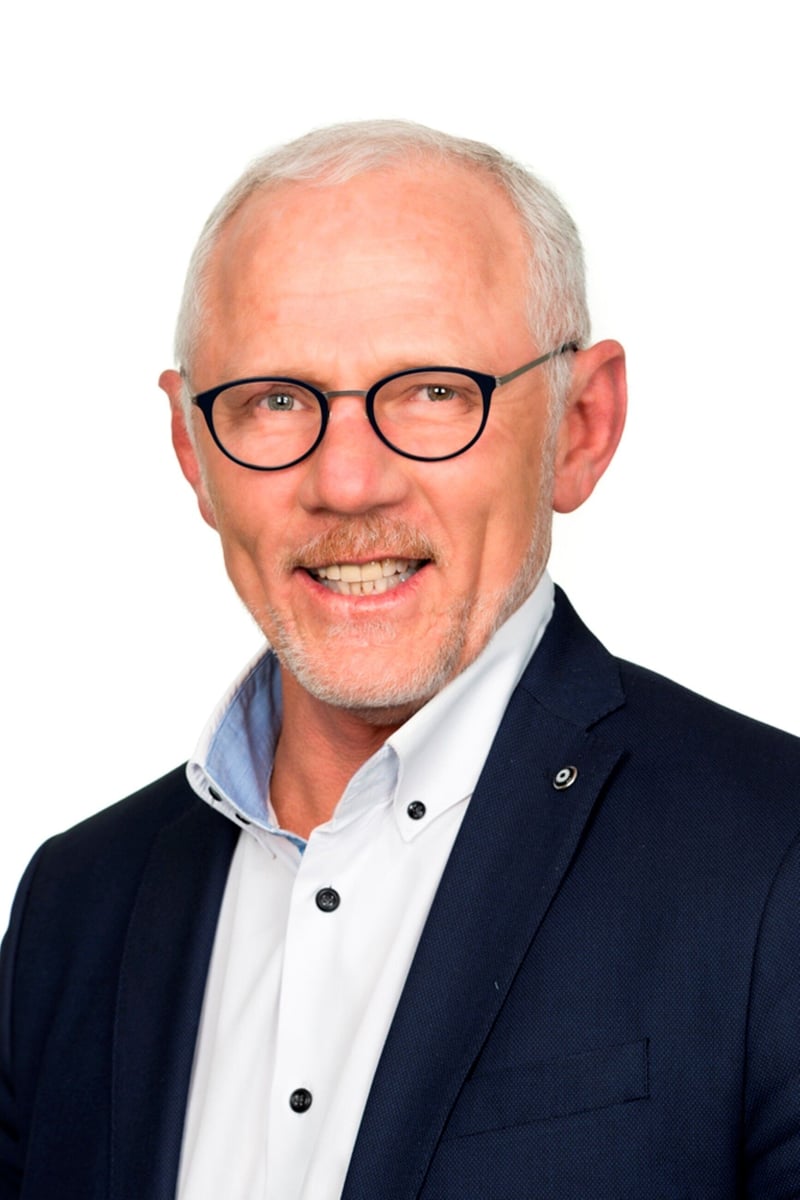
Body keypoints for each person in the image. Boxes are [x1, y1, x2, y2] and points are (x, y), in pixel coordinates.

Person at [1, 120, 798, 1200]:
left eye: (432, 390)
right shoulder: (72, 909)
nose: (347, 482)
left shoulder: (773, 862)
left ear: (581, 426)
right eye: (276, 400)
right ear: (193, 451)